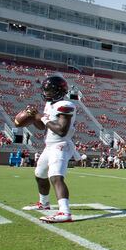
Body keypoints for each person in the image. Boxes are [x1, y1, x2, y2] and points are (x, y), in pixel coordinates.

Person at [21, 76, 77, 223]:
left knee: (56, 176)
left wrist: (42, 118)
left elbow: (61, 130)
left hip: (61, 144)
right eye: (45, 90)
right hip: (49, 145)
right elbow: (42, 127)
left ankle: (65, 212)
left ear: (59, 90)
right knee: (39, 174)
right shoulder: (49, 105)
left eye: (50, 90)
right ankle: (44, 204)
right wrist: (33, 118)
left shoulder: (66, 105)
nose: (46, 93)